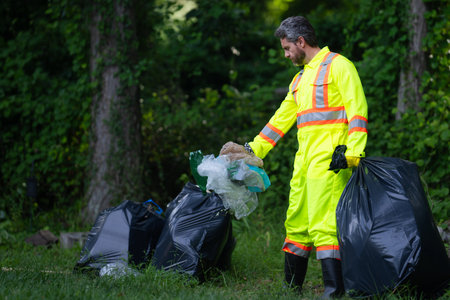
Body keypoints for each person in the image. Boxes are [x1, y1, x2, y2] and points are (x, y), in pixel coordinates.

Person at [220, 16, 368, 298]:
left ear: (301, 42)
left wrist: (352, 154)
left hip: (331, 162)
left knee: (325, 225)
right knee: (296, 222)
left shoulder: (339, 66)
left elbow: (357, 110)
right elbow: (280, 120)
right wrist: (252, 149)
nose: (287, 55)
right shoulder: (300, 79)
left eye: (287, 48)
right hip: (304, 163)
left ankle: (332, 292)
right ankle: (291, 290)